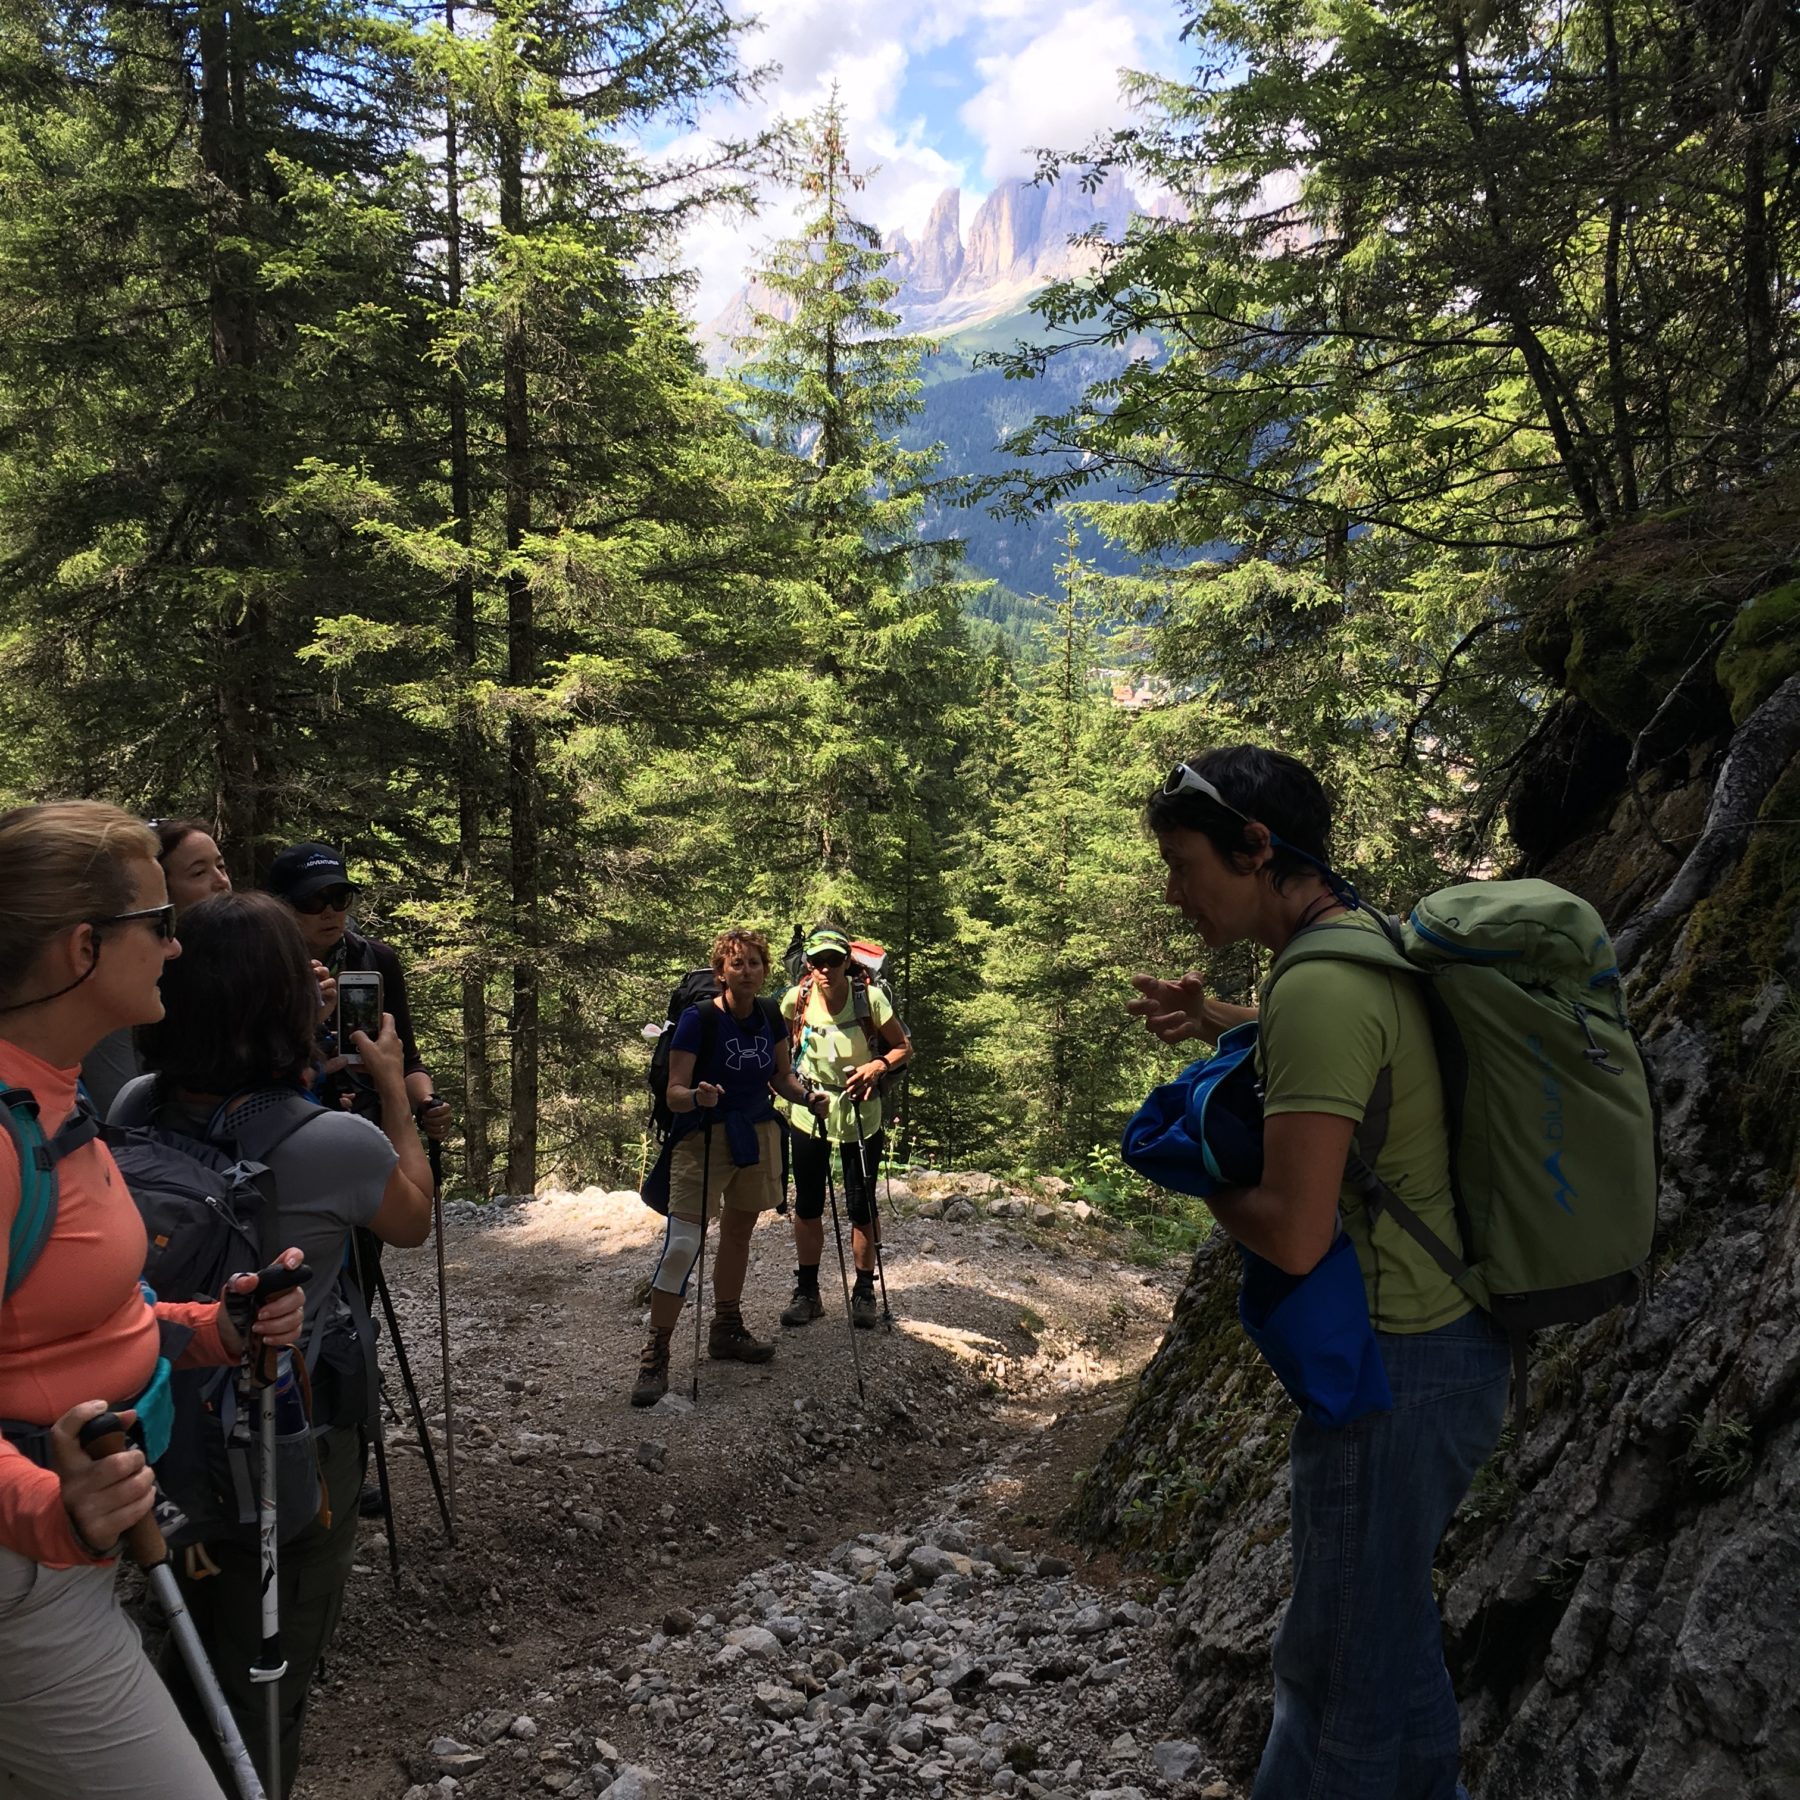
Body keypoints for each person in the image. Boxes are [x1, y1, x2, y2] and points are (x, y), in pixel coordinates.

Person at [1127, 746, 1508, 1800]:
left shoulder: (1323, 990)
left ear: (1257, 850)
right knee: (1381, 1652)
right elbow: (1348, 1055)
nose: (1174, 890)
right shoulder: (1356, 944)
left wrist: (1195, 1172)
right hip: (1447, 1347)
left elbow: (1294, 1237)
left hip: (1397, 1366)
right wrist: (1217, 1021)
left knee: (1335, 1673)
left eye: (1183, 862)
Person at [0, 801, 306, 1800]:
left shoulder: (52, 1093)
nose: (180, 945)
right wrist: (50, 1507)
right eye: (158, 924)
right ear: (83, 948)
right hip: (29, 1569)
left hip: (69, 1553)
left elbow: (76, 1320)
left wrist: (210, 1330)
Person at [110, 889, 433, 1798]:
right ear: (287, 1004)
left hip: (164, 1423)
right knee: (268, 1658)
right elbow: (411, 1220)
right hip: (290, 1436)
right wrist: (392, 1096)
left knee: (181, 1628)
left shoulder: (134, 1104)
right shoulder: (336, 1142)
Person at [634, 928, 826, 1407]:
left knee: (739, 1233)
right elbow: (673, 1092)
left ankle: (726, 1327)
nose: (747, 971)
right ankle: (656, 1353)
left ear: (765, 969)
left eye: (755, 963)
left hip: (755, 1133)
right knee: (683, 1243)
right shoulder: (699, 1020)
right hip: (700, 1138)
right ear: (721, 972)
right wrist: (696, 1095)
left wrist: (806, 1096)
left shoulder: (767, 1014)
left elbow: (780, 1076)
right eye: (737, 964)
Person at [773, 927, 909, 1331]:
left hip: (861, 1113)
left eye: (834, 960)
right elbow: (777, 1051)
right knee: (809, 1204)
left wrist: (876, 1066)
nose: (825, 969)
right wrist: (789, 1089)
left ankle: (864, 1290)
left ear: (848, 961)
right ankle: (808, 1292)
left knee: (860, 1204)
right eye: (817, 962)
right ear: (807, 965)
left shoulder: (870, 999)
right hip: (808, 1110)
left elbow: (903, 1047)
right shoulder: (795, 1000)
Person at [80, 816, 236, 1116]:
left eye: (221, 866)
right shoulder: (122, 983)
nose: (221, 881)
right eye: (199, 872)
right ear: (158, 892)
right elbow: (121, 1117)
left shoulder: (232, 964)